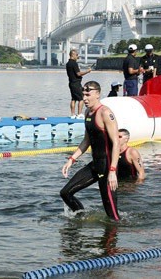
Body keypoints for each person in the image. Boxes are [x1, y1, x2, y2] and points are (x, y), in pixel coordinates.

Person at [60, 81, 121, 221]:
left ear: (98, 94)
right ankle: (81, 217)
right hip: (95, 165)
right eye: (83, 94)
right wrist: (71, 159)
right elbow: (86, 141)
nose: (85, 98)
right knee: (65, 193)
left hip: (108, 168)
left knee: (113, 216)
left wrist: (112, 171)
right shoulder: (88, 112)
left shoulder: (105, 113)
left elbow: (116, 143)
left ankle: (114, 239)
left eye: (88, 94)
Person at [66, 49, 91, 119]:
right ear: (73, 55)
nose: (77, 56)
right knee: (81, 99)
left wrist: (77, 59)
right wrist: (87, 71)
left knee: (73, 99)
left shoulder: (68, 63)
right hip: (76, 83)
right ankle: (79, 114)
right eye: (77, 55)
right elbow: (78, 73)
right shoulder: (74, 63)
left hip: (71, 83)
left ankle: (73, 114)